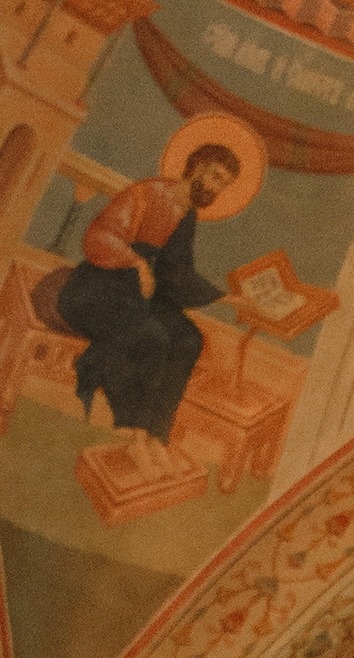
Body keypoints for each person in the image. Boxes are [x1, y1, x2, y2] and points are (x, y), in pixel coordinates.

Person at [60, 143, 243, 449]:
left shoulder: (187, 215)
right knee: (153, 335)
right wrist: (137, 263)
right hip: (101, 285)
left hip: (140, 295)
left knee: (188, 338)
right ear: (195, 167)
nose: (216, 187)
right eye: (214, 176)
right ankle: (132, 433)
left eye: (223, 184)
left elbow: (177, 274)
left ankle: (156, 435)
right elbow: (98, 238)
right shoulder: (147, 193)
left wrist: (227, 298)